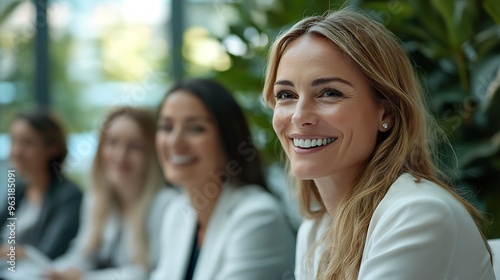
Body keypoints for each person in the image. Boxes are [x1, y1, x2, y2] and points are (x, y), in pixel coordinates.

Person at [262, 10, 496, 280]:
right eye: (286, 95)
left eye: (329, 93)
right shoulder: (317, 228)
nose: (300, 116)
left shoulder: (418, 213)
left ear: (386, 113)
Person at [151, 78, 295, 280]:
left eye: (195, 128)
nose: (175, 142)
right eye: (166, 127)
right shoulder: (177, 212)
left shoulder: (258, 217)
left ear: (229, 137)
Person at [46, 107, 177, 280]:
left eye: (134, 146)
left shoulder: (166, 205)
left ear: (152, 153)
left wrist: (84, 278)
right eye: (112, 142)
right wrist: (51, 272)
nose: (120, 155)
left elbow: (147, 272)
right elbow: (83, 255)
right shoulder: (96, 199)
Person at [0, 108, 82, 261]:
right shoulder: (19, 189)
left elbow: (48, 253)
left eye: (27, 143)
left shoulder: (69, 196)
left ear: (52, 149)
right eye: (13, 141)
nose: (16, 151)